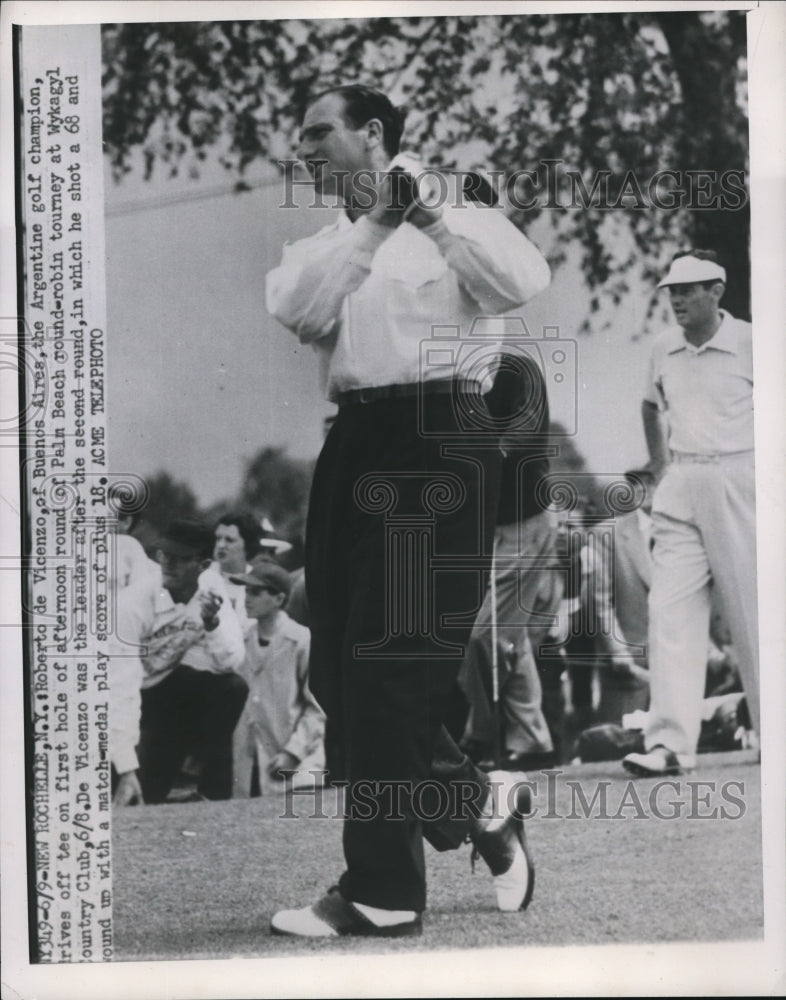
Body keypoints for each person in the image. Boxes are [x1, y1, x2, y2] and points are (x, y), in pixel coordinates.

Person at [265, 83, 551, 937]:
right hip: (353, 442)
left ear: (374, 135)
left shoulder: (460, 208)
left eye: (320, 133)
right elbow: (299, 311)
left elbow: (517, 283)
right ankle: (477, 802)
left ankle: (382, 892)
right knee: (339, 675)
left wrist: (424, 218)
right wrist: (376, 226)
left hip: (441, 434)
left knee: (393, 670)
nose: (306, 151)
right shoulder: (323, 245)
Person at [623, 250, 758, 777]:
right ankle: (670, 744)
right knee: (670, 611)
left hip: (741, 479)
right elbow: (649, 404)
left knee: (752, 614)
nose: (677, 298)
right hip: (681, 480)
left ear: (717, 291)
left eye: (689, 288)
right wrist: (658, 464)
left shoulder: (752, 342)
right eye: (673, 290)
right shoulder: (662, 348)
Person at [458, 347, 560, 771]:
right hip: (484, 524)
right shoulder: (451, 371)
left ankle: (480, 735)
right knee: (501, 635)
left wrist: (476, 454)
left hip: (525, 519)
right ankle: (533, 741)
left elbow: (525, 430)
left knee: (483, 634)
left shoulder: (516, 367)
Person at [110, 519, 247, 805]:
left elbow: (230, 661)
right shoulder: (133, 604)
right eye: (164, 554)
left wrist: (212, 623)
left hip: (161, 694)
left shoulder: (210, 585)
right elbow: (119, 689)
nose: (168, 563)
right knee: (140, 796)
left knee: (232, 687)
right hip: (112, 697)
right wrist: (125, 769)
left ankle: (210, 790)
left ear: (204, 564)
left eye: (180, 558)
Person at [229, 557, 325, 796]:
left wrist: (294, 752)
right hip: (246, 763)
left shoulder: (301, 640)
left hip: (294, 763)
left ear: (279, 599)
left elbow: (317, 707)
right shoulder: (240, 640)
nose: (247, 598)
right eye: (246, 591)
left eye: (256, 592)